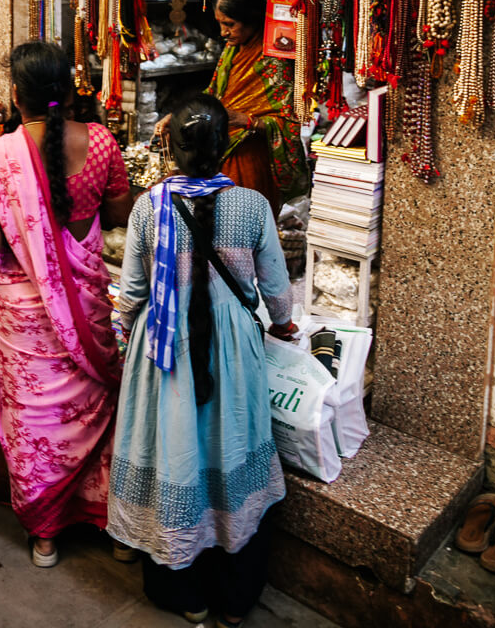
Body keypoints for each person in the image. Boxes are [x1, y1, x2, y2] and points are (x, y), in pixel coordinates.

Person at [108, 94, 297, 626]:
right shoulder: (253, 206)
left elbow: (132, 292)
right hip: (232, 346)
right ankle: (235, 603)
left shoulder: (150, 207)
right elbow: (278, 294)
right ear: (223, 146)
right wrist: (282, 325)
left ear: (172, 147)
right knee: (230, 445)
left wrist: (125, 332)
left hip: (165, 348)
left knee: (176, 452)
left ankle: (186, 596)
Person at [0, 41, 132, 567]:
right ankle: (106, 516)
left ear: (16, 95)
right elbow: (116, 214)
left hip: (25, 316)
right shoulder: (103, 143)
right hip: (86, 304)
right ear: (68, 89)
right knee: (94, 411)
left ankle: (45, 534)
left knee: (36, 419)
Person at [157, 0, 307, 217]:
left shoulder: (275, 61)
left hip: (251, 159)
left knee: (244, 227)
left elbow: (290, 122)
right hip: (219, 152)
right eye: (220, 24)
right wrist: (178, 117)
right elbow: (214, 95)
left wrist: (245, 120)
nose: (223, 32)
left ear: (253, 20)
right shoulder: (231, 50)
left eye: (230, 24)